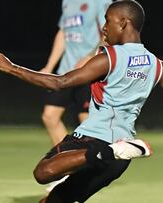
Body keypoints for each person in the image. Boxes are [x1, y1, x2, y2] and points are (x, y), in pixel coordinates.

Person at [0, 1, 163, 202]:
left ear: (124, 22)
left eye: (108, 21)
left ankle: (104, 152)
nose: (104, 27)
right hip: (120, 157)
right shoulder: (157, 65)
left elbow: (60, 83)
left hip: (94, 140)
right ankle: (108, 152)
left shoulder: (110, 57)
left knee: (43, 172)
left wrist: (12, 68)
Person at [40, 0, 112, 147]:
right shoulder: (67, 2)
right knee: (50, 116)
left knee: (87, 122)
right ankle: (65, 160)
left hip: (90, 73)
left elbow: (110, 31)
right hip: (66, 72)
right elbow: (63, 34)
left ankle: (91, 165)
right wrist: (49, 66)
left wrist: (90, 57)